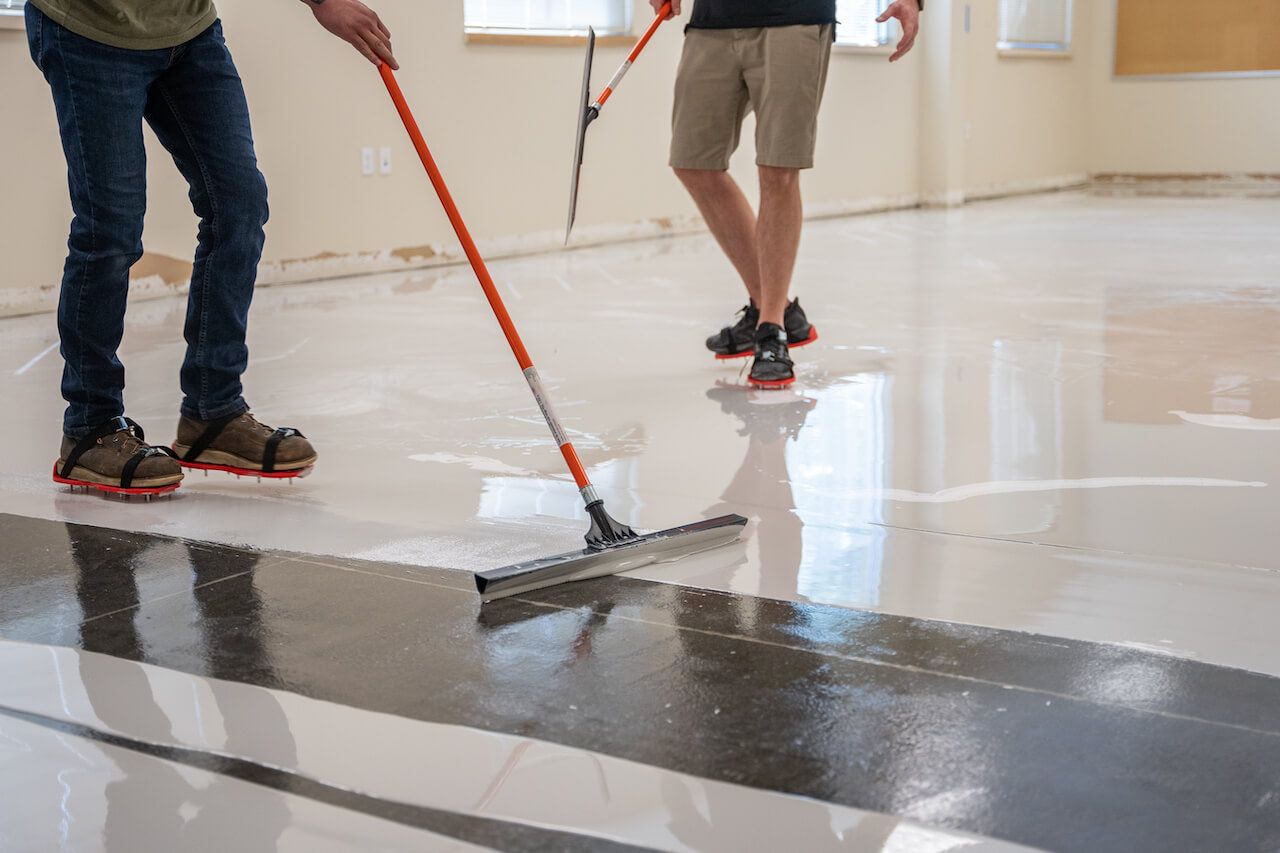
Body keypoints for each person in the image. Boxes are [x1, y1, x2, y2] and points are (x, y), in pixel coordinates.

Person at [26, 0, 398, 495]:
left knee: (239, 204)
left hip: (189, 31)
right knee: (110, 229)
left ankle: (213, 413)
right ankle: (89, 428)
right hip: (90, 30)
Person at [654, 0, 921, 388]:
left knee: (778, 169)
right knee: (693, 162)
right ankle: (773, 309)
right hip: (713, 20)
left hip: (794, 17)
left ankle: (771, 330)